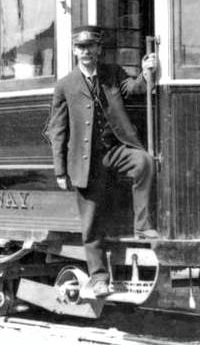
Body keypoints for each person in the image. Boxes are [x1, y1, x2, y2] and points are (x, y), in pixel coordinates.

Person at [46, 25, 158, 298]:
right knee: (91, 223)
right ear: (74, 51)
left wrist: (147, 72)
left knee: (143, 162)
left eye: (91, 47)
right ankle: (98, 278)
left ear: (98, 50)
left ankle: (142, 226)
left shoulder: (112, 73)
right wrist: (60, 170)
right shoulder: (65, 85)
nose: (86, 52)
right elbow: (56, 130)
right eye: (81, 48)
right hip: (85, 163)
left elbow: (134, 89)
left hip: (114, 150)